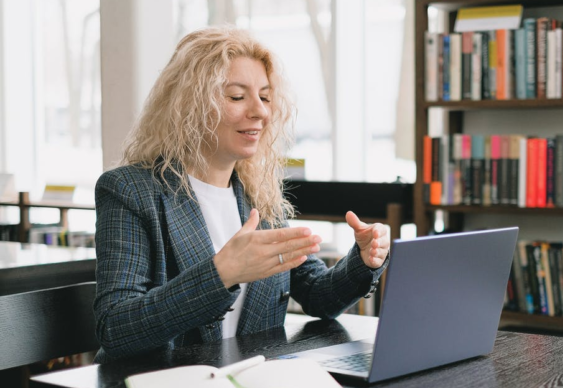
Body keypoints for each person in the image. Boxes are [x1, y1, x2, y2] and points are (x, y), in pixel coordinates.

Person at [93, 26, 390, 363]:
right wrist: (222, 273)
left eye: (264, 97)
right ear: (190, 104)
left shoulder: (258, 194)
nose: (261, 112)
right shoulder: (129, 190)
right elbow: (116, 327)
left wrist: (364, 260)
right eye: (237, 96)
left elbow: (318, 294)